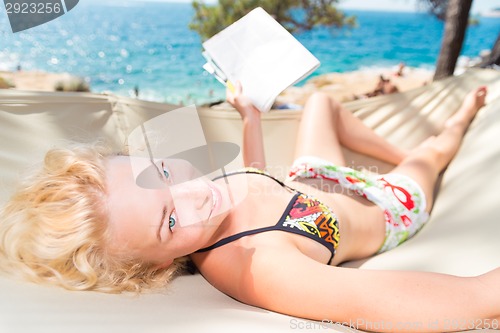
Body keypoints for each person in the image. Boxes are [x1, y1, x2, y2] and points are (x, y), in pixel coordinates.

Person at [0, 84, 498, 332]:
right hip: (385, 206)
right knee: (429, 156)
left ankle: (394, 150)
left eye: (164, 174)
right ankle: (456, 119)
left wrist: (252, 119)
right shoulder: (252, 265)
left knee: (322, 100)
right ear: (155, 265)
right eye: (170, 221)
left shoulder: (199, 196)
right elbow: (372, 300)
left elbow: (256, 179)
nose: (195, 196)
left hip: (311, 180)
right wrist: (481, 293)